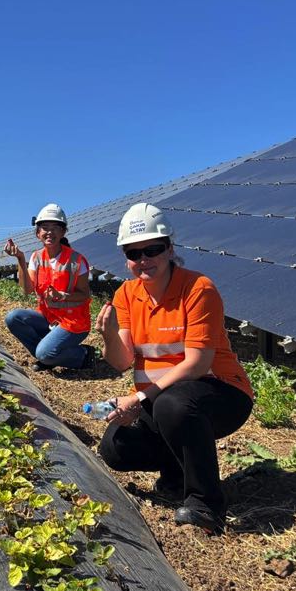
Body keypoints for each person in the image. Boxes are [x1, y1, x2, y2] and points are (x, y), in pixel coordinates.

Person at [94, 203, 254, 533]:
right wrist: (108, 334)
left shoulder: (197, 289)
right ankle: (178, 471)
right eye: (134, 253)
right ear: (125, 257)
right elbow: (122, 360)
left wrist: (140, 399)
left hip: (220, 393)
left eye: (152, 250)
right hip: (165, 399)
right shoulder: (126, 294)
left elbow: (197, 364)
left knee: (174, 405)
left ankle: (206, 504)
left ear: (169, 248)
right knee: (115, 447)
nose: (143, 260)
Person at [2, 203, 95, 370]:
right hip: (48, 318)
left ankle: (83, 355)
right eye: (44, 227)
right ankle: (48, 356)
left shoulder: (76, 260)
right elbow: (27, 290)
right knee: (13, 317)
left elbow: (84, 295)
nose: (49, 232)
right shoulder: (36, 257)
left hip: (73, 322)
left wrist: (64, 296)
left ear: (63, 232)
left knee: (44, 354)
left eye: (55, 227)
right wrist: (21, 259)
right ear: (38, 233)